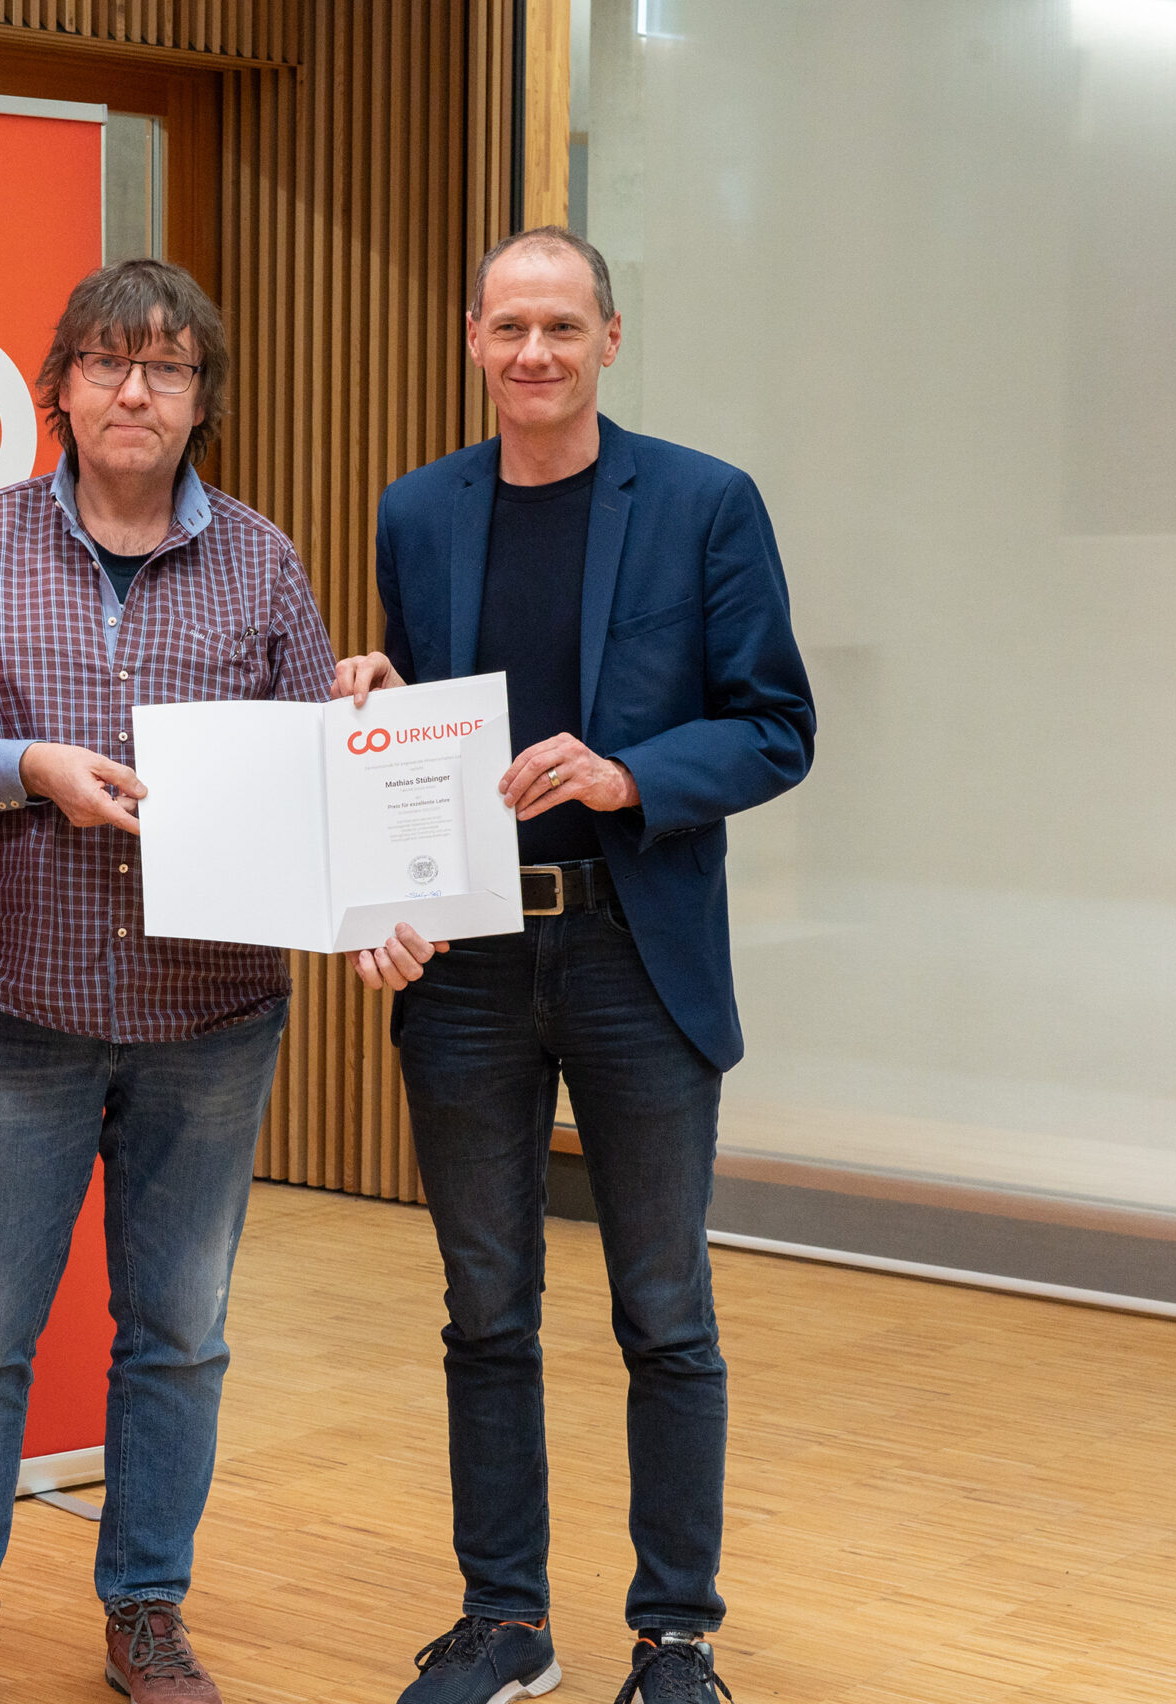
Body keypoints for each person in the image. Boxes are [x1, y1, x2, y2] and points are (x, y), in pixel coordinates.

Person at [335, 226, 815, 1704]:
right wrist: (375, 703)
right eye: (506, 329)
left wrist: (623, 778)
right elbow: (428, 734)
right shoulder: (417, 512)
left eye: (560, 326)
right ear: (474, 343)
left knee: (664, 1312)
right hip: (470, 961)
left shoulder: (703, 504)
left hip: (634, 945)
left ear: (612, 336)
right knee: (485, 1306)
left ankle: (676, 1637)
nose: (531, 353)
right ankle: (506, 1624)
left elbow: (774, 727)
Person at [0, 259, 337, 1704]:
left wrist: (367, 730)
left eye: (169, 368)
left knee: (180, 1339)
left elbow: (323, 773)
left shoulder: (264, 561)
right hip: (15, 1013)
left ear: (204, 397)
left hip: (212, 1023)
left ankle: (147, 1610)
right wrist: (22, 770)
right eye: (107, 363)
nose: (136, 391)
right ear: (58, 385)